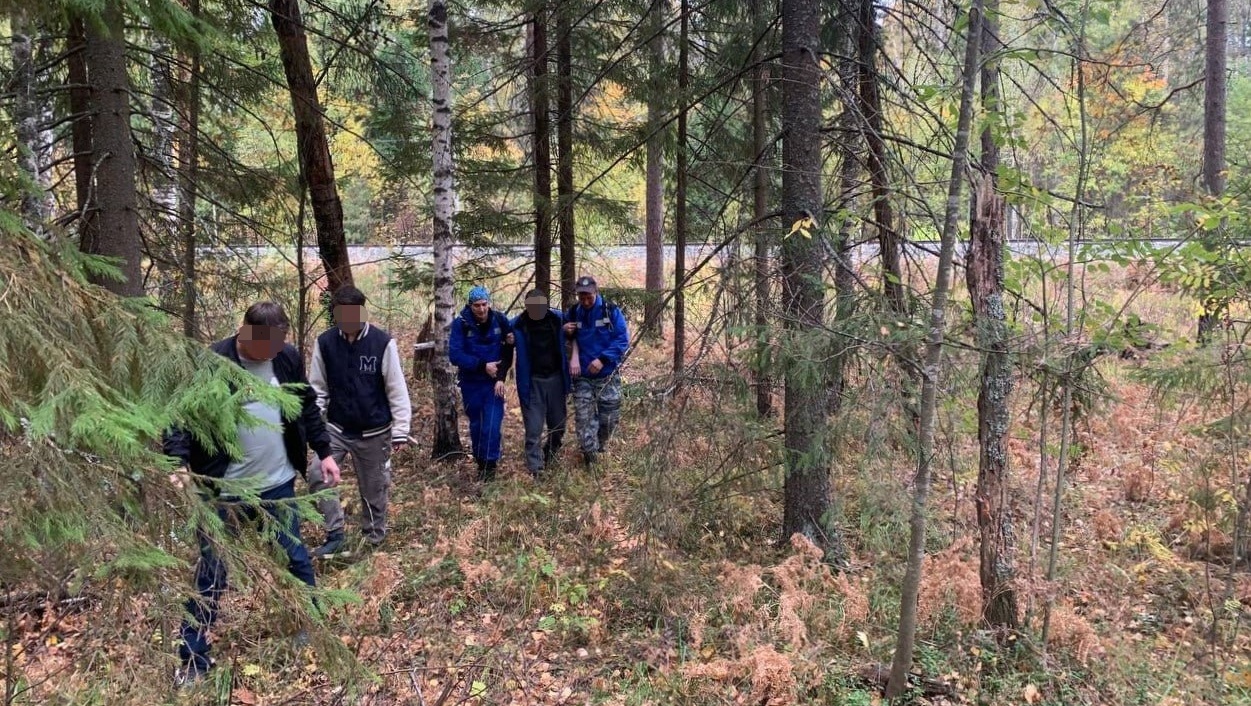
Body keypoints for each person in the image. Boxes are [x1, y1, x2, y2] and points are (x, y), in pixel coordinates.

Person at [163, 302, 341, 685]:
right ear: (246, 333)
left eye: (279, 343)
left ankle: (311, 629)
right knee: (212, 572)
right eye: (267, 345)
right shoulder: (212, 362)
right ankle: (193, 659)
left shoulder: (286, 357)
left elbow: (305, 404)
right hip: (223, 491)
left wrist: (324, 451)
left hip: (278, 485)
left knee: (295, 558)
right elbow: (179, 416)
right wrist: (177, 462)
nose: (274, 351)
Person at [307, 285, 412, 557]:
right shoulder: (325, 343)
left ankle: (373, 539)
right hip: (337, 428)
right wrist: (312, 426)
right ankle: (335, 533)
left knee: (374, 488)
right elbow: (317, 389)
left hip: (375, 431)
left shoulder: (382, 343)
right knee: (318, 473)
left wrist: (401, 430)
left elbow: (396, 389)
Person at [449, 285, 514, 480]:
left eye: (484, 304)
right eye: (477, 305)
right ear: (470, 306)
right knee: (477, 426)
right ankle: (480, 462)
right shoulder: (461, 324)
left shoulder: (500, 320)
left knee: (492, 425)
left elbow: (508, 350)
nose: (481, 309)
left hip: (494, 384)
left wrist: (501, 377)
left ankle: (489, 468)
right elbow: (455, 355)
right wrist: (482, 366)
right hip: (471, 383)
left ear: (489, 303)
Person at [564, 275, 629, 466]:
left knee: (609, 419)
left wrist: (602, 359)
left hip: (607, 375)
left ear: (596, 292)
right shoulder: (574, 312)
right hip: (582, 377)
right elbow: (567, 338)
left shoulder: (610, 311)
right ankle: (590, 457)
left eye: (589, 297)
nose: (585, 301)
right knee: (584, 419)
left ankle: (600, 445)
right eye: (581, 297)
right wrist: (565, 333)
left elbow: (622, 339)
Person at [510, 289, 570, 478]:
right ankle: (535, 467)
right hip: (532, 381)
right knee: (534, 427)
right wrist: (507, 338)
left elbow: (580, 327)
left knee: (558, 425)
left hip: (556, 379)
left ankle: (550, 452)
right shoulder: (518, 324)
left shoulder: (558, 319)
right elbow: (498, 330)